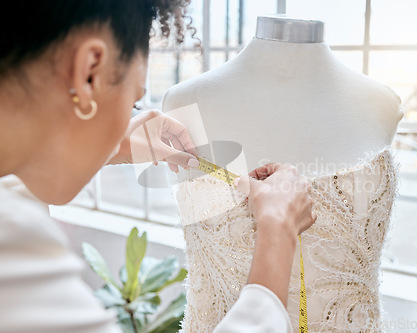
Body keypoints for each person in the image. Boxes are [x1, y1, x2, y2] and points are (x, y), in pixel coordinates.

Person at [0, 1, 316, 332]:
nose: (132, 119)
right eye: (133, 101)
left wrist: (102, 146)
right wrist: (278, 228)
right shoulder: (12, 241)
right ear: (90, 70)